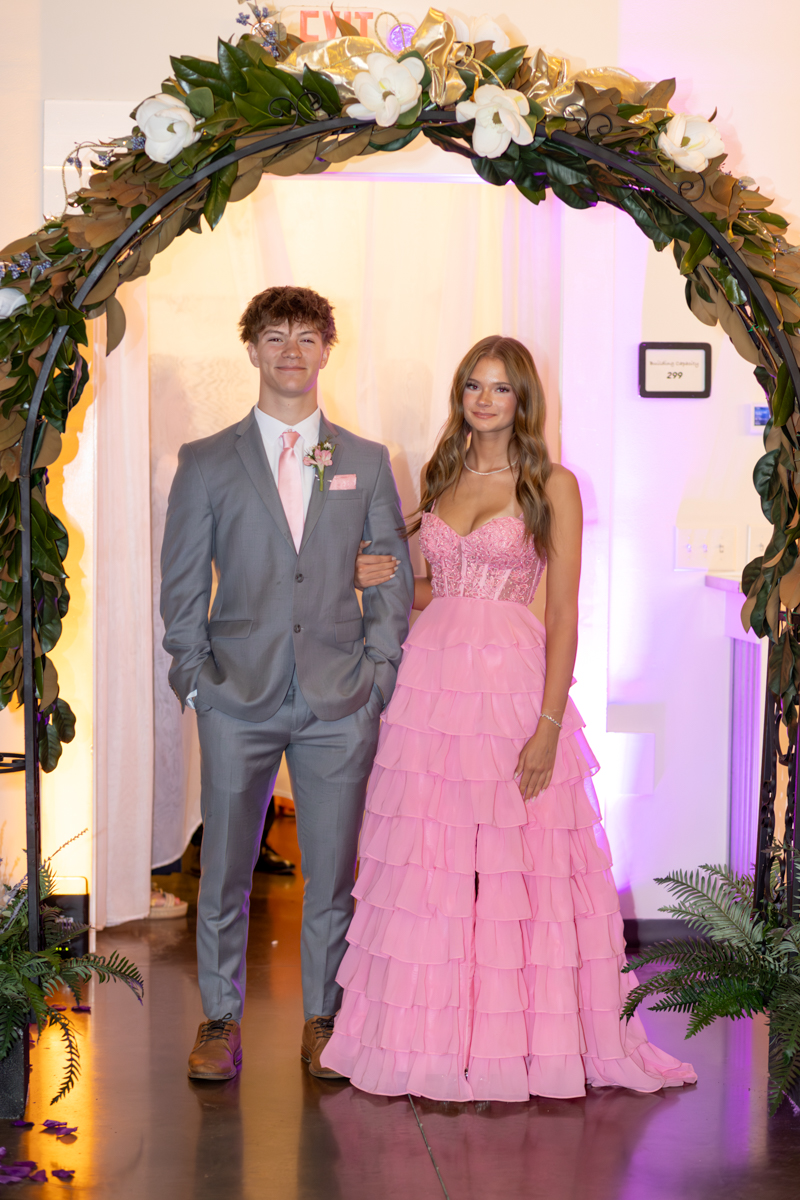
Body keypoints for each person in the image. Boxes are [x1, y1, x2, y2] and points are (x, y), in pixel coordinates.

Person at [321, 335, 696, 1100]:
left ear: (523, 399)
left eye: (500, 389)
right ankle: (428, 1039)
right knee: (433, 862)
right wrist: (379, 577)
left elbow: (563, 615)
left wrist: (549, 727)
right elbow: (427, 591)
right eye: (473, 387)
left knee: (519, 867)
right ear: (460, 396)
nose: (485, 401)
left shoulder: (552, 483)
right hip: (431, 690)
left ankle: (518, 1044)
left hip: (513, 688)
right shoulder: (441, 477)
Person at [160, 285, 413, 1082]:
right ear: (252, 350)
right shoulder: (204, 462)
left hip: (341, 699)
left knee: (331, 874)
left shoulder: (367, 461)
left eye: (307, 338)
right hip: (235, 695)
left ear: (328, 351)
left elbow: (393, 578)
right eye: (276, 337)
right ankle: (218, 1020)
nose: (292, 352)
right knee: (226, 870)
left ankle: (324, 1018)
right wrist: (195, 680)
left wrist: (377, 677)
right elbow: (180, 586)